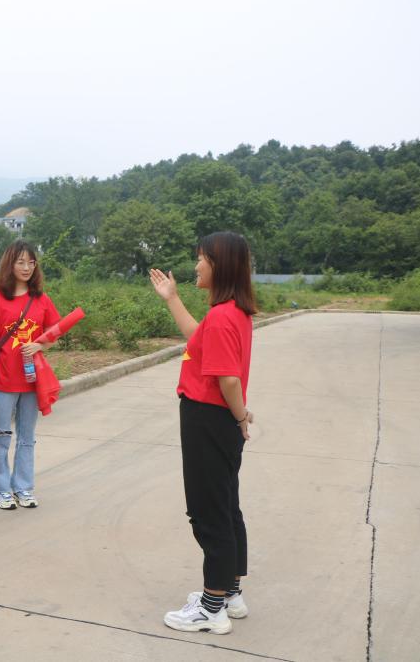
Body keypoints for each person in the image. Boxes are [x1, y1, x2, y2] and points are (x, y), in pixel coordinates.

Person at [149, 232, 256, 635]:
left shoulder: (224, 316)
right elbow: (198, 339)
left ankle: (212, 608)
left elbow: (228, 379)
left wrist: (240, 416)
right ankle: (230, 593)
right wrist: (172, 298)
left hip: (208, 418)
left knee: (208, 513)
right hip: (217, 419)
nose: (196, 266)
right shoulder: (230, 312)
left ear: (219, 265)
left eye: (201, 259)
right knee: (225, 507)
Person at [0, 241, 60, 510]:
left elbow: (54, 334)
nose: (26, 268)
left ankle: (23, 487)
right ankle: (0, 489)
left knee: (26, 437)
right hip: (2, 381)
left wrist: (40, 346)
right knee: (0, 435)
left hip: (32, 382)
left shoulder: (42, 300)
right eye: (20, 262)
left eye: (31, 262)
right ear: (9, 265)